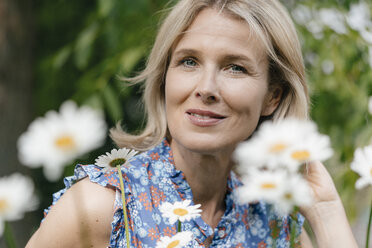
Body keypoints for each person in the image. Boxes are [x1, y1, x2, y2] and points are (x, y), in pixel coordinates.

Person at [26, 0, 357, 247]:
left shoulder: (274, 220)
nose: (206, 88)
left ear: (273, 96)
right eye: (188, 62)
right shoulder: (104, 205)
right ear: (164, 78)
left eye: (235, 68)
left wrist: (325, 210)